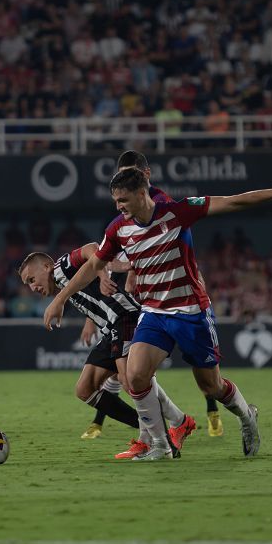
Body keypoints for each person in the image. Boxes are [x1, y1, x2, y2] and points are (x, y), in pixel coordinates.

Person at [44, 167, 272, 460]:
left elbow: (235, 200)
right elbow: (93, 264)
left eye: (123, 200)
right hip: (153, 312)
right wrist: (60, 297)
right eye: (115, 201)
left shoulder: (178, 212)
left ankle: (245, 415)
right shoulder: (117, 229)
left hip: (190, 312)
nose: (119, 207)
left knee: (211, 386)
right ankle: (159, 445)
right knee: (135, 376)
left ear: (141, 193)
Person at [21, 246, 196, 459]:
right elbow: (92, 275)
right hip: (110, 328)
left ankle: (158, 439)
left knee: (131, 380)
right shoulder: (63, 280)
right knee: (85, 389)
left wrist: (96, 279)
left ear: (46, 266)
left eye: (31, 279)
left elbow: (92, 249)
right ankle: (170, 424)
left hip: (125, 317)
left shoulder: (60, 268)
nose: (32, 287)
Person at [114, 150, 225, 438]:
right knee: (138, 372)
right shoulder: (125, 209)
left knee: (207, 378)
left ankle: (210, 411)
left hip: (185, 294)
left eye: (132, 173)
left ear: (146, 176)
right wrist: (133, 270)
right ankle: (155, 437)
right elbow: (133, 243)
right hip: (155, 303)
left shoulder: (164, 204)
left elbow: (162, 241)